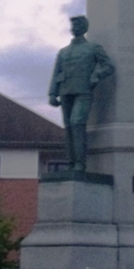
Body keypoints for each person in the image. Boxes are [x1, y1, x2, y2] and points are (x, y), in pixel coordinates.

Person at [48, 16, 114, 172]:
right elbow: (56, 72)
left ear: (84, 28)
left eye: (78, 24)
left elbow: (108, 66)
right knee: (69, 127)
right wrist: (52, 93)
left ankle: (80, 163)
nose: (74, 27)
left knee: (77, 123)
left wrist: (96, 75)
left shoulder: (93, 48)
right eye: (73, 25)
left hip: (83, 90)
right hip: (66, 91)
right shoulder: (63, 52)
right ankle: (71, 163)